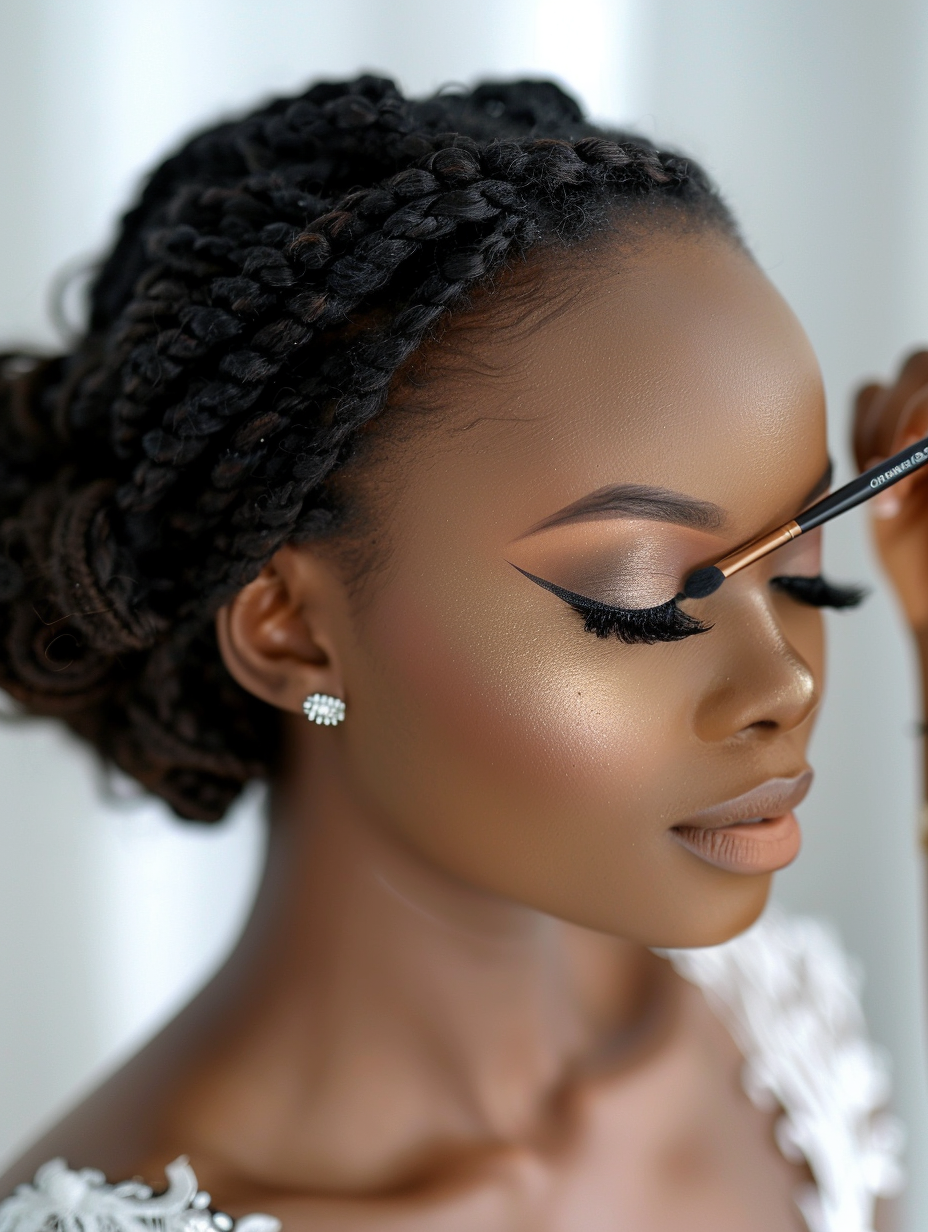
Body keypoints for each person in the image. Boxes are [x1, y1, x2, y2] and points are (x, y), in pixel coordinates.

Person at [0, 75, 919, 1231]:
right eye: (638, 598)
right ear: (290, 629)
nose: (784, 679)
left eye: (803, 564)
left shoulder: (771, 1035)